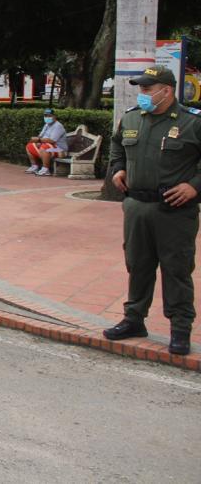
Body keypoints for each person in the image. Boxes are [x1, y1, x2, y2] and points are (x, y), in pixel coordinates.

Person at [105, 65, 199, 356]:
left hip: (173, 209)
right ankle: (134, 320)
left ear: (166, 91)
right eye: (141, 89)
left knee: (176, 268)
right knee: (138, 264)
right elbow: (117, 148)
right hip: (136, 206)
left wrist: (195, 186)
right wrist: (118, 169)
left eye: (147, 89)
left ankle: (180, 329)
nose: (142, 94)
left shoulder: (191, 122)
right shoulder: (133, 117)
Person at [25, 108, 68, 176]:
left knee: (45, 147)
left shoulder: (58, 126)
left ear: (54, 116)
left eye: (49, 116)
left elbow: (52, 140)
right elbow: (40, 136)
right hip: (48, 147)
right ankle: (34, 166)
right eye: (45, 116)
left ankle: (46, 169)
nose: (47, 117)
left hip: (60, 149)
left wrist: (39, 140)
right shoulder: (46, 125)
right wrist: (37, 141)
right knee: (30, 145)